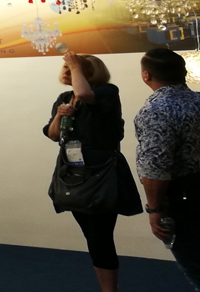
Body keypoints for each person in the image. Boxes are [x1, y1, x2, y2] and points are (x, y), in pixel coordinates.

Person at [133, 49, 200, 292]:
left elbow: (155, 167)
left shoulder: (156, 110)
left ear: (146, 75)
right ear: (184, 73)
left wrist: (155, 209)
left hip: (184, 205)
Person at [43, 52, 142, 292]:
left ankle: (110, 289)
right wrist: (60, 115)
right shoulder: (64, 98)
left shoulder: (106, 92)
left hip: (100, 172)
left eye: (72, 69)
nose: (66, 72)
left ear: (88, 73)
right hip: (73, 172)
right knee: (91, 235)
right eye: (66, 68)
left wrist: (75, 63)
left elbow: (86, 95)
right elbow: (53, 135)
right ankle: (108, 286)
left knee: (100, 237)